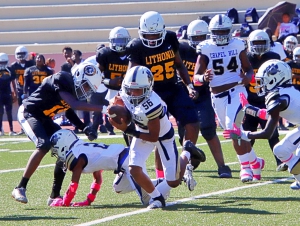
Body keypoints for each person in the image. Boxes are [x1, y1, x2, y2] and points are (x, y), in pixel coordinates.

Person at [109, 66, 205, 209]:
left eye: (138, 90)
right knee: (134, 169)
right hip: (142, 131)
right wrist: (114, 110)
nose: (133, 94)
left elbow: (153, 137)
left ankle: (187, 152)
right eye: (131, 89)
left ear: (148, 88)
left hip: (162, 136)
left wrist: (127, 129)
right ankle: (157, 198)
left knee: (173, 181)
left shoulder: (152, 104)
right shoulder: (125, 93)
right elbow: (116, 103)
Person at [11, 62, 106, 205]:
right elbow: (74, 104)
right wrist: (104, 108)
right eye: (86, 85)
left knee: (65, 148)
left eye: (89, 89)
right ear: (79, 76)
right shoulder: (62, 78)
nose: (86, 90)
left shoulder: (73, 90)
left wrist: (84, 127)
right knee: (44, 145)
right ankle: (20, 187)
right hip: (29, 113)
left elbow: (68, 110)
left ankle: (54, 195)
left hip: (45, 117)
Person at [126, 11, 202, 174]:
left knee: (193, 123)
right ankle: (161, 176)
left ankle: (185, 159)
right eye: (148, 35)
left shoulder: (170, 38)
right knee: (161, 135)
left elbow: (179, 65)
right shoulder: (136, 46)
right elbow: (131, 75)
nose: (152, 39)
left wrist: (189, 85)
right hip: (151, 94)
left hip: (173, 88)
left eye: (155, 35)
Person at [194, 14, 264, 183]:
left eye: (224, 31)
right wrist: (204, 78)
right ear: (211, 32)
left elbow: (249, 70)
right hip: (217, 96)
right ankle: (255, 161)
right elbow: (195, 78)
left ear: (230, 31)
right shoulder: (206, 48)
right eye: (217, 32)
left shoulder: (238, 45)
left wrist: (248, 78)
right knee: (236, 133)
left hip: (237, 90)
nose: (221, 35)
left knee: (233, 129)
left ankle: (245, 168)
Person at [223, 59, 300, 190]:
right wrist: (248, 108)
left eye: (263, 80)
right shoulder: (290, 90)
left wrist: (243, 134)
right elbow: (268, 115)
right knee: (280, 150)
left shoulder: (277, 97)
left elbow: (267, 133)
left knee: (296, 161)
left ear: (275, 78)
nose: (259, 84)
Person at [49, 129, 167, 207]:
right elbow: (98, 180)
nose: (57, 154)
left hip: (128, 161)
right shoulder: (83, 150)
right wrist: (88, 201)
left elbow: (73, 184)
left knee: (146, 200)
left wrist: (64, 202)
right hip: (124, 162)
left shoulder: (76, 156)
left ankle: (168, 184)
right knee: (118, 187)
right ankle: (157, 182)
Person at [178, 19, 232, 178]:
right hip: (184, 94)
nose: (198, 42)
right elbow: (177, 70)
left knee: (208, 129)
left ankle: (222, 166)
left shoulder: (212, 49)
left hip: (204, 95)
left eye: (202, 38)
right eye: (195, 38)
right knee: (184, 133)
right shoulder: (181, 49)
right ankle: (187, 164)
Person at [244, 29, 286, 171]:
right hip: (250, 101)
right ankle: (248, 163)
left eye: (262, 42)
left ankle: (280, 161)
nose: (260, 46)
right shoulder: (245, 57)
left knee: (272, 134)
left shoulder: (273, 56)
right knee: (248, 133)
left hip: (267, 101)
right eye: (256, 43)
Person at [96, 27, 132, 137]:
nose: (119, 44)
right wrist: (109, 81)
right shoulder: (105, 54)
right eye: (116, 41)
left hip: (131, 92)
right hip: (113, 93)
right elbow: (96, 77)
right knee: (122, 120)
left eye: (122, 41)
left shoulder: (133, 53)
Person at [10, 46, 35, 135]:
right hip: (20, 90)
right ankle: (23, 128)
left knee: (32, 109)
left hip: (30, 89)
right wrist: (15, 92)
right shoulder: (14, 66)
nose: (20, 56)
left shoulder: (31, 64)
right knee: (22, 110)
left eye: (22, 54)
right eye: (19, 54)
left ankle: (33, 127)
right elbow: (13, 80)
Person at [0, 53, 18, 136]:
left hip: (8, 92)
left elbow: (13, 82)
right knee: (0, 112)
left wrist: (15, 92)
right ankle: (1, 130)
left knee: (9, 111)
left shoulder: (10, 70)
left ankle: (11, 130)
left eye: (4, 62)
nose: (3, 64)